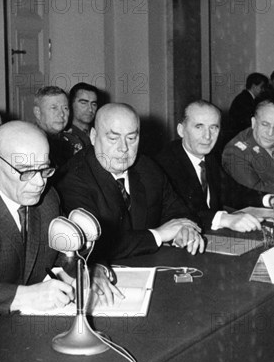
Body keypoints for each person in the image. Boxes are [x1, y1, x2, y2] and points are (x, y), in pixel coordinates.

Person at [0, 121, 119, 317]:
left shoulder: (48, 200)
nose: (39, 182)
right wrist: (24, 296)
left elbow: (62, 253)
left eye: (44, 169)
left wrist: (88, 271)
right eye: (26, 171)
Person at [57, 103, 205, 262]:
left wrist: (185, 230)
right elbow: (94, 246)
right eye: (113, 138)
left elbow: (180, 212)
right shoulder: (72, 178)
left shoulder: (148, 168)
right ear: (93, 137)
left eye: (131, 138)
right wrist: (158, 234)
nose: (124, 148)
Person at [155, 100, 274, 232]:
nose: (207, 136)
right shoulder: (165, 163)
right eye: (199, 127)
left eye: (213, 128)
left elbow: (232, 191)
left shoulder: (209, 157)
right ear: (181, 130)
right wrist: (226, 219)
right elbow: (181, 212)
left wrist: (272, 200)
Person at [32, 86, 72, 167]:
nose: (61, 114)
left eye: (65, 108)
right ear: (38, 112)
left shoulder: (71, 142)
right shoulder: (29, 144)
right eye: (54, 108)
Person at [227, 72, 268, 139]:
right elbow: (247, 123)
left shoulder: (246, 98)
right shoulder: (244, 100)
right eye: (262, 87)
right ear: (254, 86)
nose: (263, 90)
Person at [61, 83, 99, 154]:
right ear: (70, 104)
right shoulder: (63, 138)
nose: (90, 109)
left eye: (93, 104)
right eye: (83, 103)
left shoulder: (99, 133)